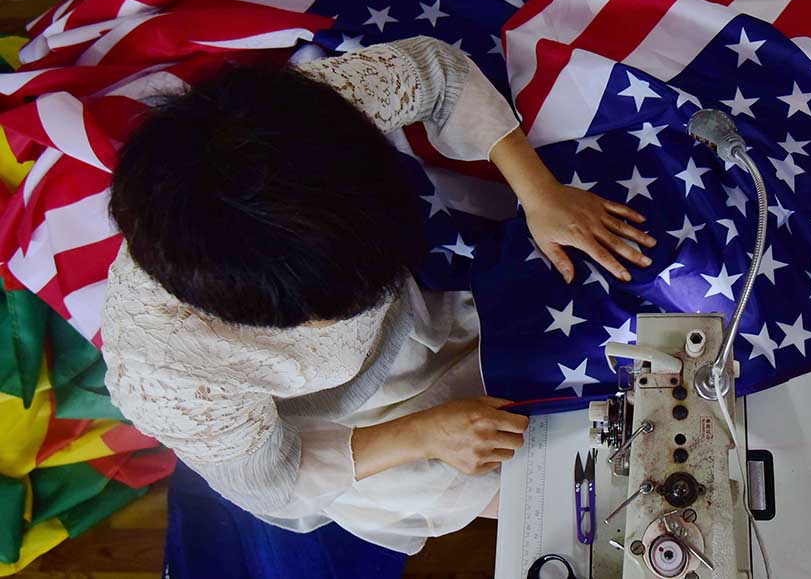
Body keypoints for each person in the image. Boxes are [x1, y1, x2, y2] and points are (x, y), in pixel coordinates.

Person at [100, 36, 658, 553]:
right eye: (330, 311)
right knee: (535, 496)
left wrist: (540, 192)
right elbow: (272, 481)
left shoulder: (297, 124)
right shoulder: (164, 370)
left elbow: (438, 71)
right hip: (346, 425)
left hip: (422, 313)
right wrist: (422, 435)